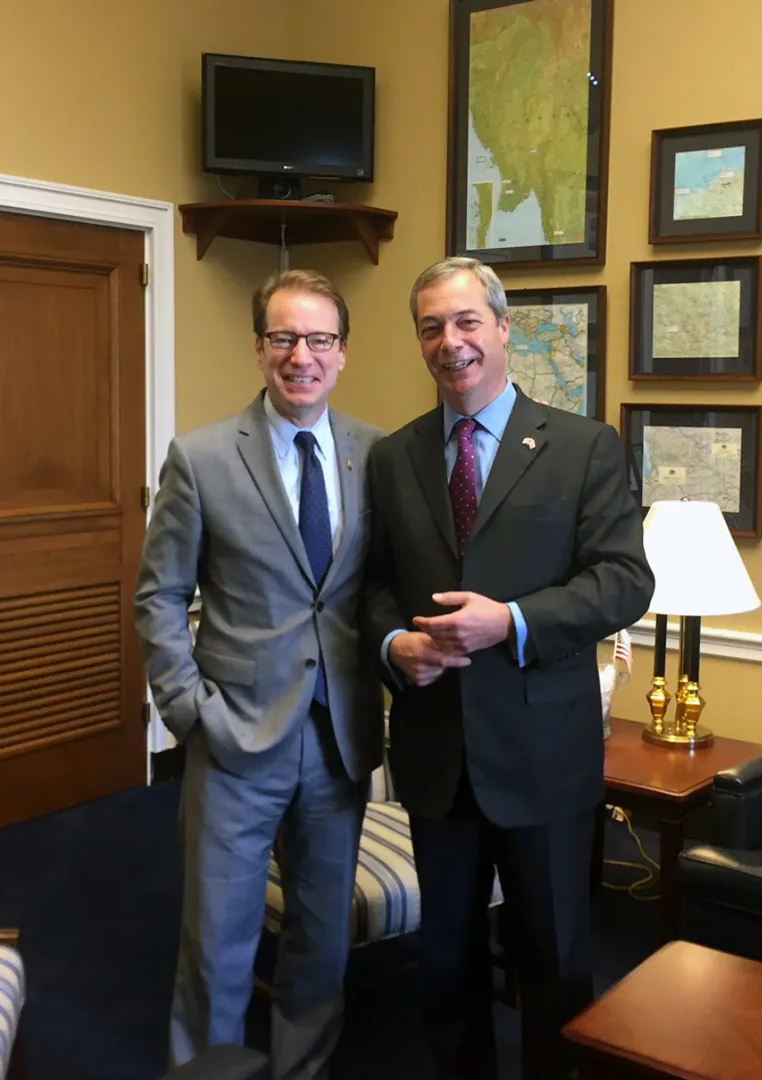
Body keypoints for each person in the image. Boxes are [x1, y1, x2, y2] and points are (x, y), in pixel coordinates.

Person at [364, 257, 654, 1079]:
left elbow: (624, 580)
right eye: (430, 327)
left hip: (542, 759)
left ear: (503, 328)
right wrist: (393, 646)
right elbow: (375, 585)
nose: (449, 342)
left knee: (553, 961)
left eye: (465, 322)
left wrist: (513, 621)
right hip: (437, 757)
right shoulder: (393, 457)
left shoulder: (583, 447)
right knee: (446, 964)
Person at [134, 269, 384, 1078]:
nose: (300, 356)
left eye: (318, 339)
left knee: (321, 936)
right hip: (234, 732)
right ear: (258, 348)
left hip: (339, 736)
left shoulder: (376, 455)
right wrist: (186, 708)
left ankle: (302, 1068)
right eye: (284, 337)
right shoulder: (201, 457)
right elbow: (159, 595)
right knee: (217, 939)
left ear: (342, 352)